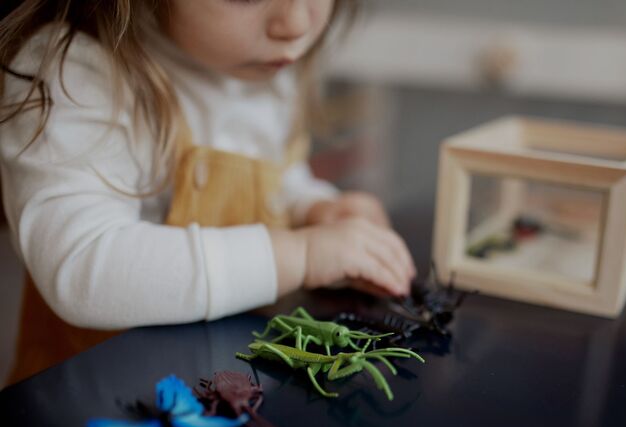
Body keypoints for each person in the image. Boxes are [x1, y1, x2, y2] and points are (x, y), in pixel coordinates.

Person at [0, 0, 416, 385]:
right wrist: (301, 254)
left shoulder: (263, 68)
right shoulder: (73, 74)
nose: (296, 24)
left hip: (225, 384)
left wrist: (315, 206)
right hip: (90, 407)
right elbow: (83, 266)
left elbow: (278, 173)